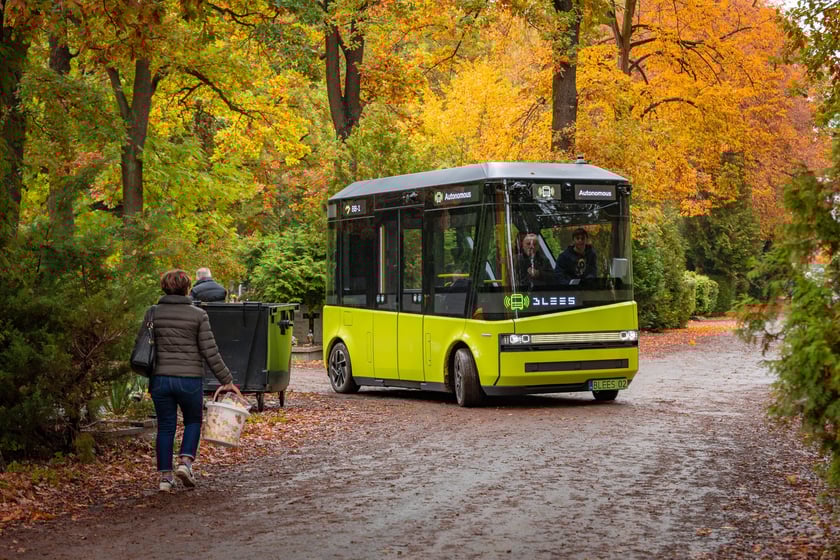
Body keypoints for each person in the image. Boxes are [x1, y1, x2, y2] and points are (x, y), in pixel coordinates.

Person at [145, 269, 237, 492]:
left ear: (164, 288)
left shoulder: (152, 313)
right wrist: (226, 379)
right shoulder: (198, 315)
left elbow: (143, 347)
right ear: (188, 288)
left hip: (161, 379)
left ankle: (165, 478)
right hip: (189, 379)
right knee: (193, 421)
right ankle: (185, 463)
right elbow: (209, 350)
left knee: (166, 426)